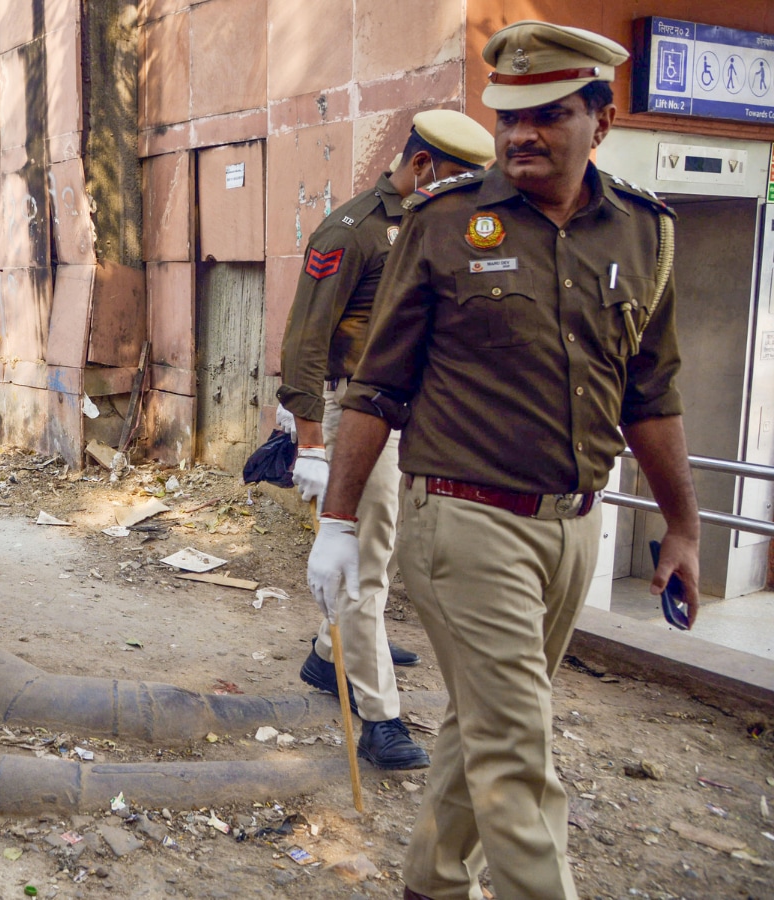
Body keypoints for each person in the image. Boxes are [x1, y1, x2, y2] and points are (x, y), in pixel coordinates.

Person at [306, 22, 699, 900]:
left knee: (487, 731)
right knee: (520, 752)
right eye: (509, 114)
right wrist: (336, 522)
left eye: (548, 115)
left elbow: (653, 393)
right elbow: (377, 387)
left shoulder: (646, 234)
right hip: (465, 523)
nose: (521, 133)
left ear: (602, 120)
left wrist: (682, 526)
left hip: (574, 529)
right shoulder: (443, 225)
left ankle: (432, 883)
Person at [274, 110, 495, 771]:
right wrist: (311, 440)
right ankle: (379, 716)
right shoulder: (354, 229)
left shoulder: (442, 227)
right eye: (456, 178)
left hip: (409, 414)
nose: (465, 194)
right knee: (364, 568)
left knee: (383, 549)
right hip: (354, 410)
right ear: (423, 166)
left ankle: (328, 651)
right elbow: (304, 339)